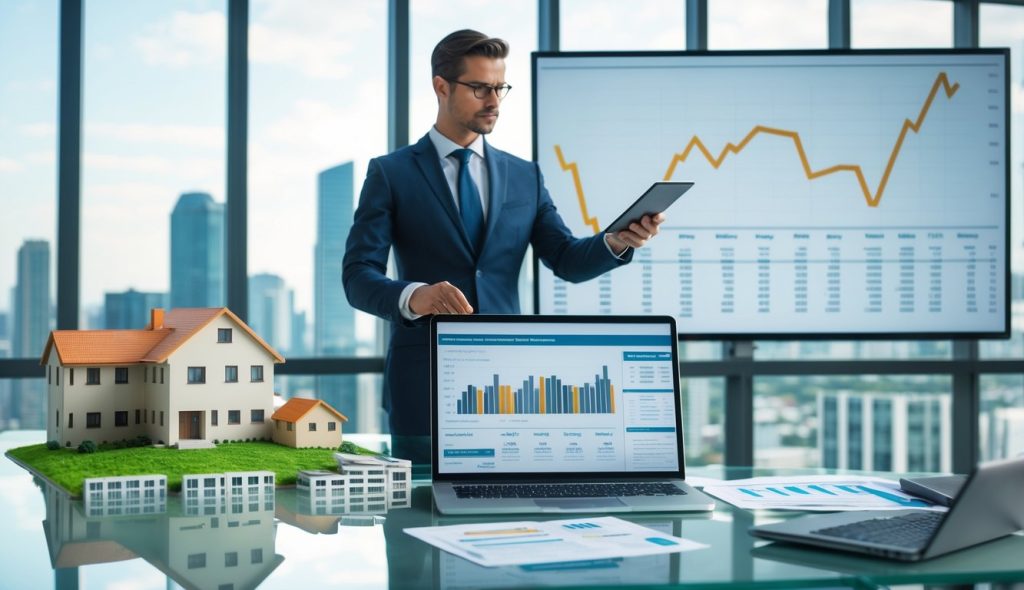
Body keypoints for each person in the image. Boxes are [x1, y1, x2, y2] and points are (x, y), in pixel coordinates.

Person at [343, 29, 664, 465]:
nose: (494, 101)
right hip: (423, 386)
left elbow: (565, 259)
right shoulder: (391, 173)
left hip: (511, 388)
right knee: (414, 520)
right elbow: (358, 276)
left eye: (499, 88)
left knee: (508, 512)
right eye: (479, 89)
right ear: (441, 87)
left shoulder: (524, 176)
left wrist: (616, 242)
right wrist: (415, 297)